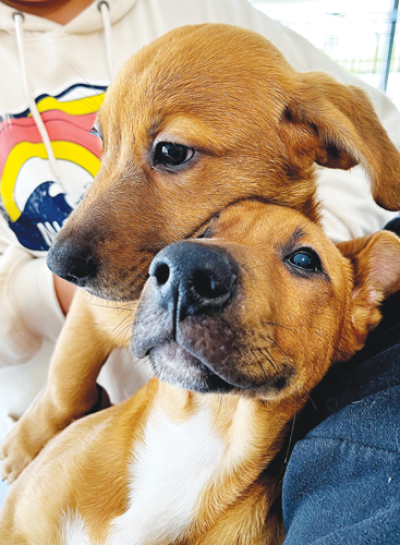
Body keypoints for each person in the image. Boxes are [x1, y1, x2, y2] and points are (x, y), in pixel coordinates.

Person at [0, 0, 399, 530]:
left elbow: (382, 178)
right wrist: (53, 389)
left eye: (171, 154)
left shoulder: (218, 17)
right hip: (58, 440)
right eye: (106, 146)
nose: (79, 232)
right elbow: (82, 299)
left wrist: (295, 260)